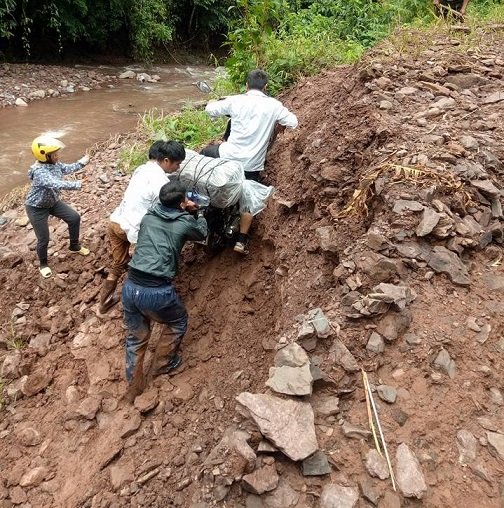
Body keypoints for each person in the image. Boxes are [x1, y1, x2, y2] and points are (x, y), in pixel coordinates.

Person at [121, 180, 207, 399]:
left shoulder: (148, 217)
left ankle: (134, 384)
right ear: (181, 203)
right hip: (157, 291)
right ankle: (163, 364)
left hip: (130, 287)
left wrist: (181, 208)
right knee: (178, 321)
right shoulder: (185, 221)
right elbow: (201, 234)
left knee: (136, 337)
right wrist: (200, 213)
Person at [202, 69, 298, 254]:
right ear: (266, 87)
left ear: (247, 85)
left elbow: (210, 109)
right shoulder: (274, 105)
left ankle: (199, 203)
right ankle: (241, 240)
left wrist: (216, 102)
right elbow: (293, 121)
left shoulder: (236, 100)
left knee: (205, 154)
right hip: (251, 164)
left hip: (226, 156)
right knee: (250, 196)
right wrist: (280, 123)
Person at [98, 140, 186, 314]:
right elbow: (165, 210)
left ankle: (104, 302)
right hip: (134, 228)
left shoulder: (142, 169)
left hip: (116, 221)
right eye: (177, 163)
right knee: (142, 266)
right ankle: (138, 302)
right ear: (166, 160)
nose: (178, 167)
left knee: (119, 263)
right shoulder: (162, 183)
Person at [25, 135, 90, 278]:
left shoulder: (55, 164)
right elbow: (56, 183)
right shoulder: (39, 171)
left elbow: (66, 168)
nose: (57, 156)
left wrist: (81, 163)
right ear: (44, 156)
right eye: (54, 154)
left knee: (74, 218)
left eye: (57, 153)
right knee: (44, 239)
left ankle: (74, 246)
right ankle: (43, 263)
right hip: (37, 208)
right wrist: (78, 184)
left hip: (52, 203)